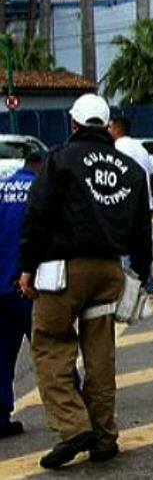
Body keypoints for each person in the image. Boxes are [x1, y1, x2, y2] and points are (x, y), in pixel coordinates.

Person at [17, 93, 153, 469]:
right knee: (100, 357)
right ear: (107, 125)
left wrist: (26, 268)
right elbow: (143, 228)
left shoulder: (59, 159)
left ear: (73, 123)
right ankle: (104, 436)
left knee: (50, 346)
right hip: (109, 272)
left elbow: (38, 216)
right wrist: (140, 274)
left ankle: (74, 427)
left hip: (62, 272)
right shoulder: (129, 168)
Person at [0, 147, 44, 438]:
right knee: (52, 349)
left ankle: (0, 417)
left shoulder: (2, 188)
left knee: (1, 355)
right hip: (28, 286)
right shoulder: (41, 191)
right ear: (41, 166)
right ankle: (76, 414)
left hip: (0, 286)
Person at [109, 117, 153, 298]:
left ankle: (128, 290)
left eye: (110, 127)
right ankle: (149, 283)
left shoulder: (115, 149)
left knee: (124, 249)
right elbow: (150, 177)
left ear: (116, 129)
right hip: (146, 205)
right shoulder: (142, 149)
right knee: (144, 246)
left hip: (125, 206)